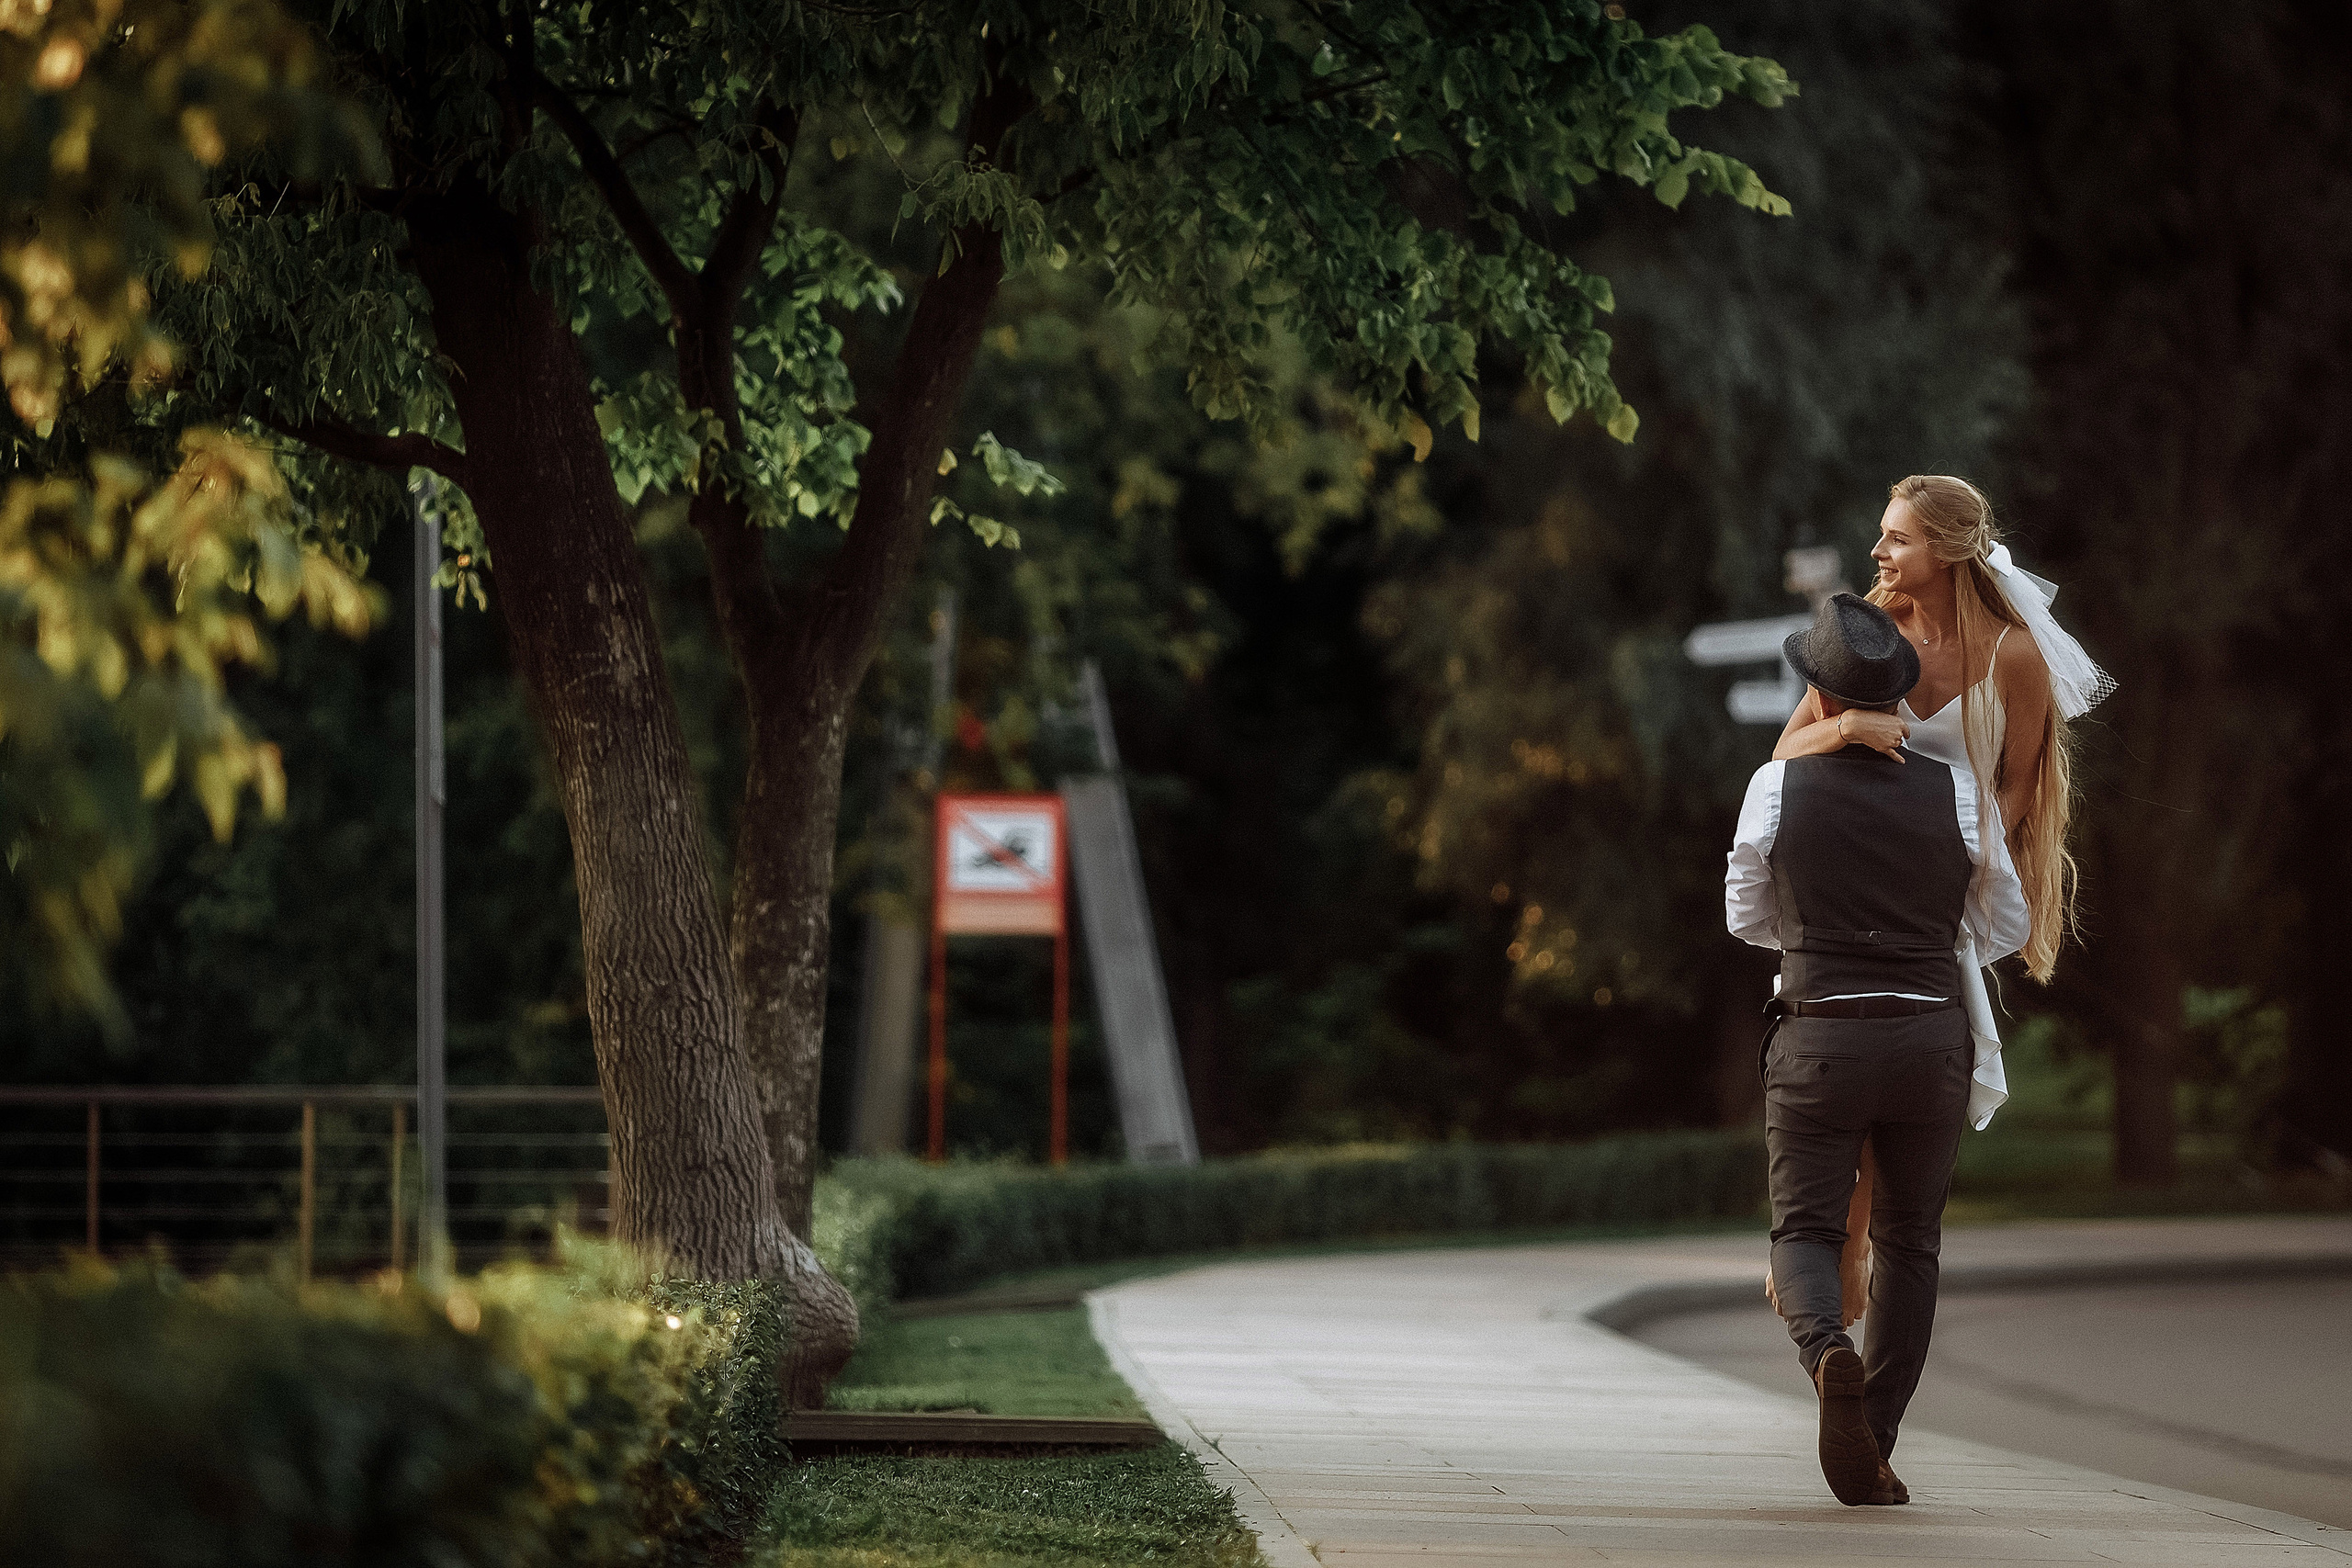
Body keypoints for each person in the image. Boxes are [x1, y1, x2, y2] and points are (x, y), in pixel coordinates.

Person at [1770, 476, 2113, 1324]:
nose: (1880, 551)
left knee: (1912, 1086)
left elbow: (2018, 786)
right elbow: (1784, 759)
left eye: (1898, 539)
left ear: (1949, 551)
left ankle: (1845, 1253)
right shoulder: (1864, 634)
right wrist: (1847, 725)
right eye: (1883, 535)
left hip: (1937, 900)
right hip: (1844, 894)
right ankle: (1837, 1248)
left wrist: (1955, 873)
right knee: (1832, 1077)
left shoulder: (2014, 658)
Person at [1726, 591, 2031, 1505]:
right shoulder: (1958, 795)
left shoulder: (1775, 784)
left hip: (1818, 1035)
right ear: (1897, 697)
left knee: (1808, 1230)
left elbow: (1745, 917)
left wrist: (1819, 932)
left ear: (1815, 697)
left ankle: (1828, 1357)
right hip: (1928, 1039)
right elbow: (2005, 924)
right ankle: (1878, 1435)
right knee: (1910, 1240)